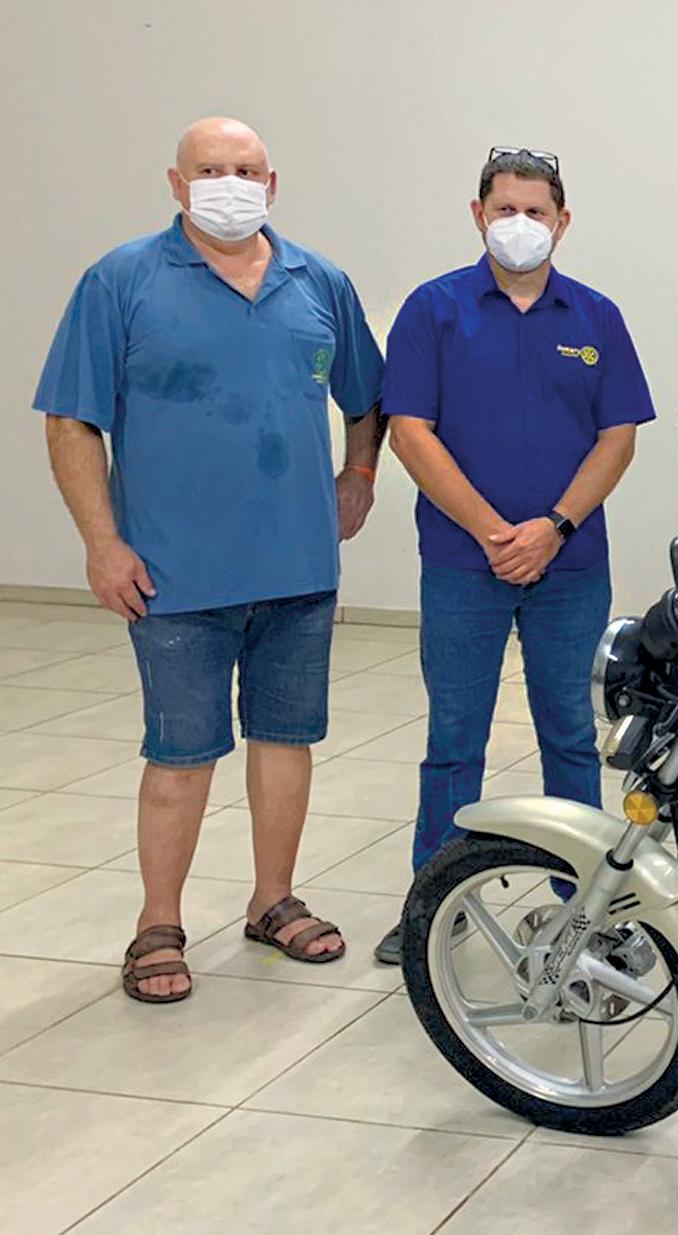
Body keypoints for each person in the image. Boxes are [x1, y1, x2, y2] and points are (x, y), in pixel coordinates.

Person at [33, 117, 384, 1002]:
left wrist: (359, 473)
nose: (230, 183)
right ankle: (158, 922)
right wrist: (102, 541)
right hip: (174, 573)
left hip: (299, 569)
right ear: (176, 182)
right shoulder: (121, 281)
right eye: (211, 169)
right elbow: (71, 419)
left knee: (287, 741)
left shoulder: (319, 282)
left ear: (273, 183)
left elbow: (368, 397)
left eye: (246, 170)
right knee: (181, 753)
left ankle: (273, 899)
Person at [376, 148, 656, 963]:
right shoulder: (432, 310)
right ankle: (435, 901)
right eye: (505, 209)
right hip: (463, 564)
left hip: (569, 566)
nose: (520, 225)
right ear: (478, 215)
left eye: (536, 212)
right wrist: (494, 532)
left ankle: (586, 905)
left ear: (562, 222)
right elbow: (409, 432)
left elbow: (617, 437)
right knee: (453, 737)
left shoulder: (595, 317)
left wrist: (552, 528)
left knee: (570, 732)